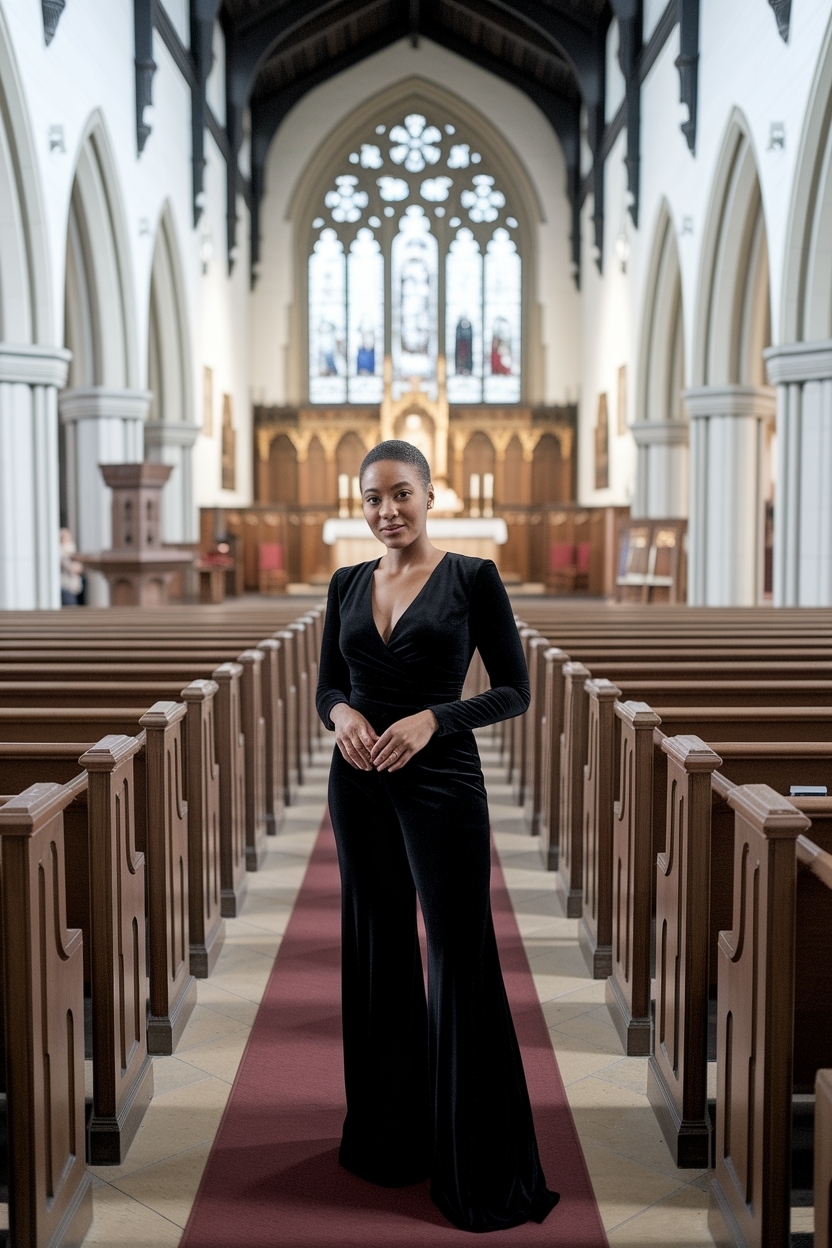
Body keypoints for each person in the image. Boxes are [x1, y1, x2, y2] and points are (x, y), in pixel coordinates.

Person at [316, 439, 559, 1233]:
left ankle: (476, 1155)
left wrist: (434, 718)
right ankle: (389, 1138)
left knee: (458, 953)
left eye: (401, 494)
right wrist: (343, 715)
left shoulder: (471, 577)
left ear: (431, 494)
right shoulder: (346, 581)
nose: (387, 511)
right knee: (378, 947)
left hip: (441, 782)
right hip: (358, 783)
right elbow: (329, 684)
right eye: (373, 499)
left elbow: (515, 691)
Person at [60, 527, 84, 606]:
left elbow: (80, 568)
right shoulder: (61, 551)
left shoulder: (71, 548)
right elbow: (71, 568)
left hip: (73, 586)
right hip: (65, 586)